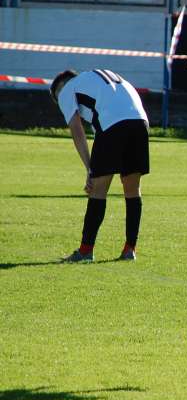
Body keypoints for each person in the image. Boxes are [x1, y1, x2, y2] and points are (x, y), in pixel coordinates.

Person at [49, 69, 150, 262]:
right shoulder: (95, 80)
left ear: (59, 89)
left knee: (98, 190)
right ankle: (130, 249)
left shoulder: (66, 90)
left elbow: (76, 129)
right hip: (140, 122)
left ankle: (86, 251)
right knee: (132, 189)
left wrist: (90, 168)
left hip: (113, 124)